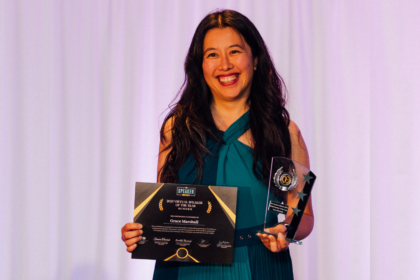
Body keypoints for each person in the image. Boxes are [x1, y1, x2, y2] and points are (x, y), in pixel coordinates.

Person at [121, 9, 314, 280]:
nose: (225, 65)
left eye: (235, 51)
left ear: (255, 58)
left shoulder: (284, 132)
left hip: (259, 266)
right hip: (184, 267)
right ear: (200, 65)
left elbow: (302, 213)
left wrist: (288, 231)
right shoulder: (177, 128)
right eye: (212, 55)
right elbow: (166, 212)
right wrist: (139, 232)